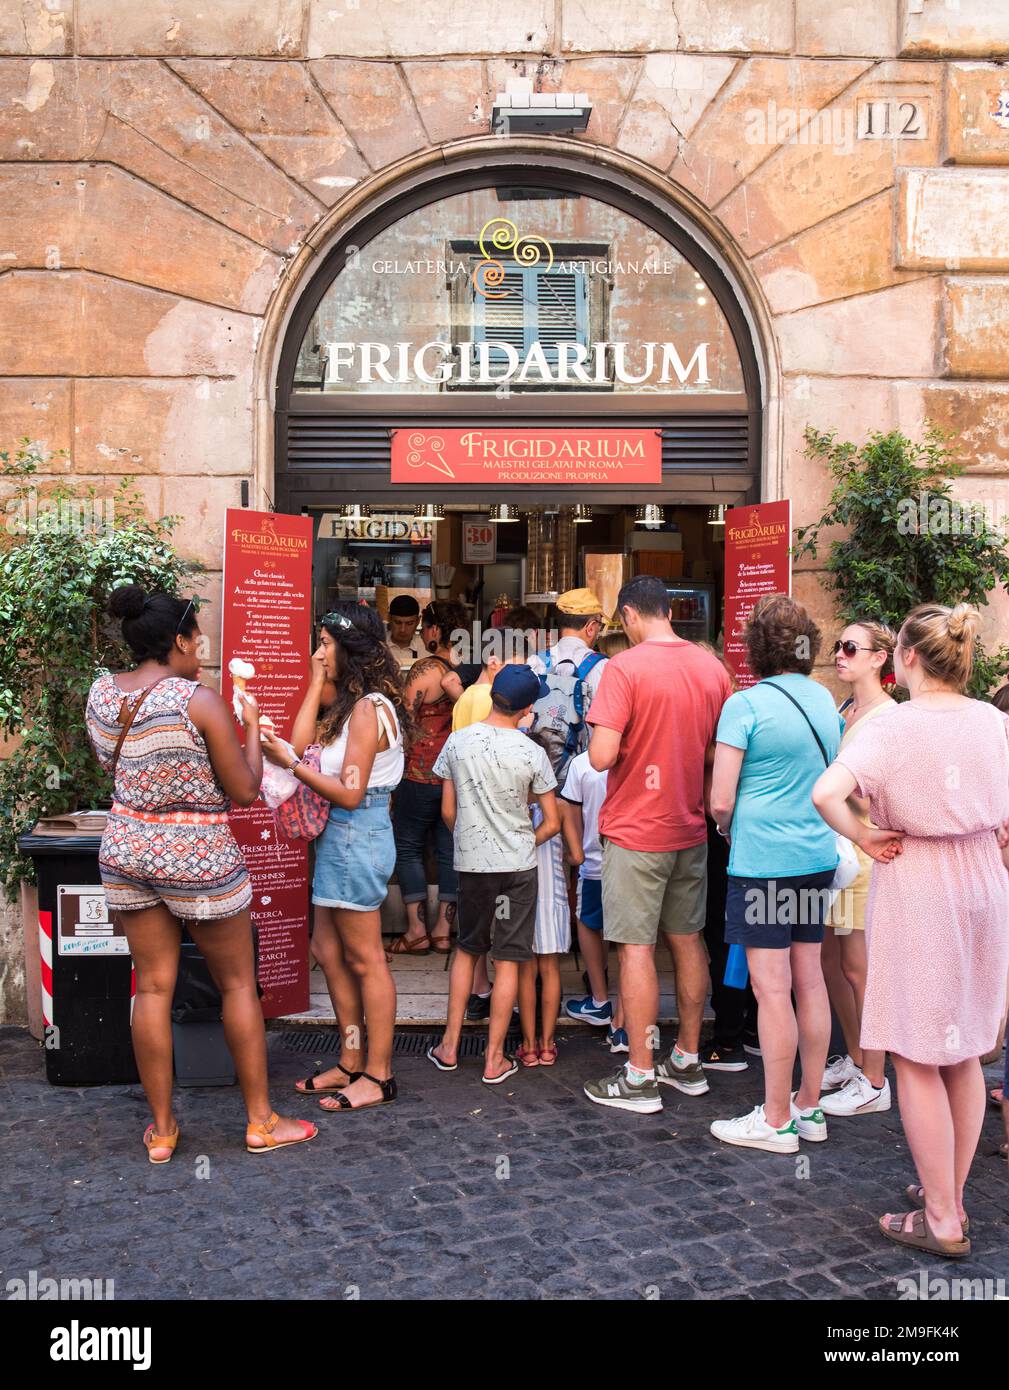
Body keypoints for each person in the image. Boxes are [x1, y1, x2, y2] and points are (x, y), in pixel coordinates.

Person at [85, 586, 316, 1159]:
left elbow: (112, 764)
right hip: (198, 856)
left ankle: (162, 1131)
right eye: (198, 638)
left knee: (153, 986)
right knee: (237, 984)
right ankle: (260, 1121)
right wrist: (254, 730)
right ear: (180, 642)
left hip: (128, 848)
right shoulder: (200, 700)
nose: (203, 649)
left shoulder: (102, 693)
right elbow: (243, 790)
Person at [813, 602, 1009, 1257]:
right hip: (983, 880)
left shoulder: (892, 726)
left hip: (918, 877)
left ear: (906, 658)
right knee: (963, 1049)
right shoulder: (991, 719)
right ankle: (943, 1195)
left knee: (915, 1054)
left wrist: (862, 834)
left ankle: (943, 1217)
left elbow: (824, 793)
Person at [582, 575, 732, 1115]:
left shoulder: (623, 669)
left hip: (636, 831)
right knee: (688, 941)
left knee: (637, 949)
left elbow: (600, 757)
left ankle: (640, 1075)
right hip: (689, 828)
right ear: (670, 611)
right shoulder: (711, 669)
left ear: (628, 615)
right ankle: (687, 1061)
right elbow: (720, 751)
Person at [708, 595, 841, 1154]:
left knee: (771, 988)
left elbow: (720, 798)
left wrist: (726, 828)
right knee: (809, 978)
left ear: (754, 648)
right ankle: (810, 1106)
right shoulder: (826, 699)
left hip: (763, 862)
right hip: (815, 856)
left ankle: (777, 1118)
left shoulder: (746, 705)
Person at [263, 602, 407, 1114]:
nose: (318, 650)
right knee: (326, 947)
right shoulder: (348, 703)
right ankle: (350, 1057)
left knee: (367, 959)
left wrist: (291, 768)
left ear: (349, 647)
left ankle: (380, 1074)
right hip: (339, 837)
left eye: (325, 643)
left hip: (356, 832)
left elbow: (348, 792)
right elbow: (299, 741)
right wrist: (313, 676)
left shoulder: (370, 708)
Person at [426, 665, 560, 1085]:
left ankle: (449, 1046)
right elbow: (552, 822)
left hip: (472, 866)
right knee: (508, 962)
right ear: (526, 709)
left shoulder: (457, 742)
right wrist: (521, 842)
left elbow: (448, 811)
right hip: (518, 868)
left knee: (468, 950)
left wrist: (470, 839)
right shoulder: (531, 752)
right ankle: (495, 1058)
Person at [818, 620, 897, 1117]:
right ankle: (855, 1055)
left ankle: (874, 1078)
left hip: (865, 854)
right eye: (838, 646)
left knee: (859, 968)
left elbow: (876, 791)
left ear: (879, 658)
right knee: (831, 962)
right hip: (839, 854)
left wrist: (834, 785)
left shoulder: (888, 718)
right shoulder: (846, 708)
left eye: (850, 647)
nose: (840, 654)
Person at [450, 626, 538, 1021]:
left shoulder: (467, 706)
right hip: (511, 852)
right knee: (506, 948)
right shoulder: (484, 702)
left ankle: (476, 996)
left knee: (471, 942)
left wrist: (466, 833)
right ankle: (495, 1044)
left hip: (474, 848)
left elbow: (452, 792)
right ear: (494, 661)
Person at [388, 599, 468, 956]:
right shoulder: (469, 668)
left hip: (419, 772)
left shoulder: (425, 670)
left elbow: (404, 722)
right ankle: (442, 932)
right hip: (456, 776)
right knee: (449, 850)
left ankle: (416, 930)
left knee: (408, 848)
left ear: (433, 630)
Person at [560, 741, 627, 1052]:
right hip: (635, 862)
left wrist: (575, 854)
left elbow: (571, 813)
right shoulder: (641, 758)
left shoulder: (582, 764)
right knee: (634, 942)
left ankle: (600, 1000)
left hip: (595, 863)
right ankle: (625, 1023)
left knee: (588, 924)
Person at [385, 594, 423, 670]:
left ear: (418, 621)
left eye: (409, 624)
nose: (403, 629)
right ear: (389, 618)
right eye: (398, 623)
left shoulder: (426, 648)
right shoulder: (378, 646)